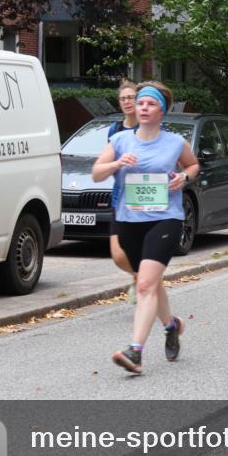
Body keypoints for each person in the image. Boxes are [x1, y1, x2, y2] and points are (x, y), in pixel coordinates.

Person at [93, 81, 201, 374]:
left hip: (166, 219)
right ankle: (171, 325)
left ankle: (136, 352)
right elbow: (96, 173)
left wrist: (184, 177)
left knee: (144, 284)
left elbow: (193, 165)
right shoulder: (120, 141)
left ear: (162, 110)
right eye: (140, 103)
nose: (143, 107)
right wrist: (115, 165)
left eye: (150, 104)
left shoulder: (176, 143)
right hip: (129, 221)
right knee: (149, 283)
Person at [108, 80, 140, 303]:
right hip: (120, 196)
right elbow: (107, 159)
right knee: (118, 254)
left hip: (144, 196)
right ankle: (140, 277)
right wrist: (116, 164)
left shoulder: (149, 126)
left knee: (140, 246)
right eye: (123, 99)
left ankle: (144, 282)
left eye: (131, 98)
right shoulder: (115, 129)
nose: (127, 102)